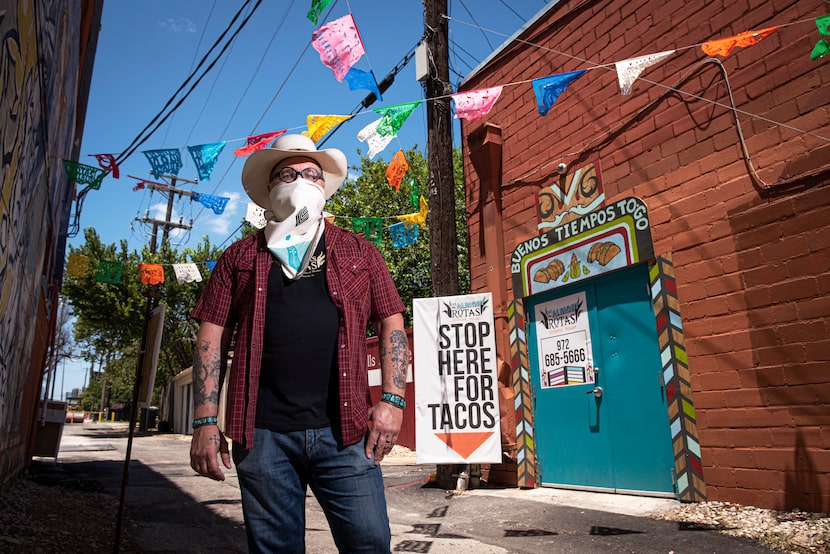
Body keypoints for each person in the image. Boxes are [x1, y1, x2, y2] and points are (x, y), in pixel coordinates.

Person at [189, 134, 409, 553]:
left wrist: (393, 401)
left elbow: (392, 322)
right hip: (263, 435)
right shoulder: (239, 258)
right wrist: (203, 420)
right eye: (287, 174)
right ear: (270, 190)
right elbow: (211, 337)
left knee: (370, 542)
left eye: (311, 174)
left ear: (323, 187)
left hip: (345, 435)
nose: (300, 180)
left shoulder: (360, 250)